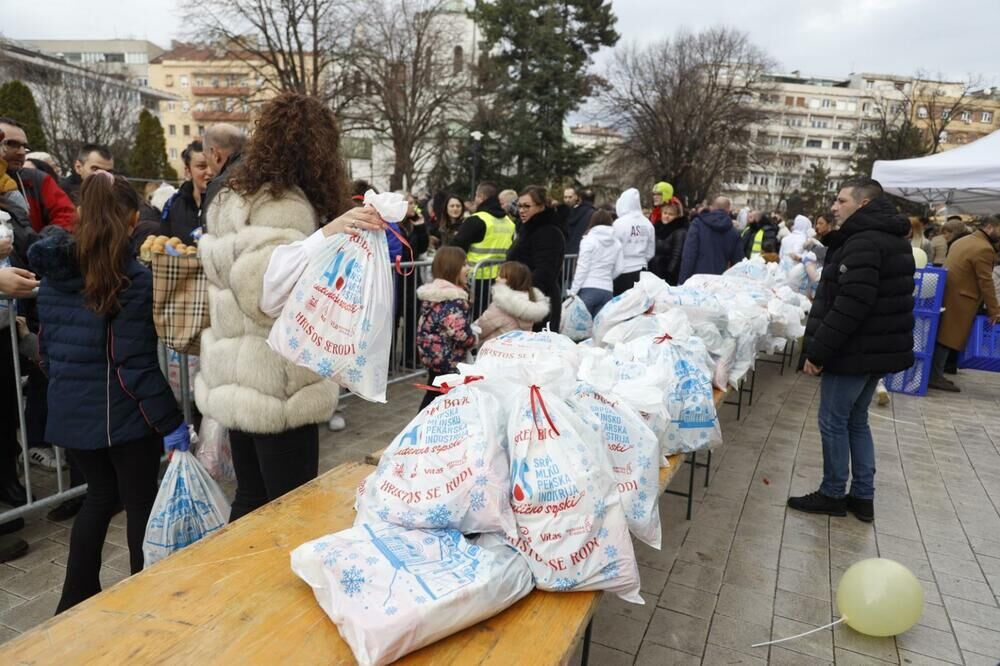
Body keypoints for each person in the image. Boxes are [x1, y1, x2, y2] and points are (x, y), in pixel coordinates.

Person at [199, 93, 383, 522]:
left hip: (239, 379)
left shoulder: (231, 195)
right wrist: (325, 236)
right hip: (278, 382)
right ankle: (270, 588)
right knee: (291, 509)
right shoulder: (284, 202)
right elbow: (263, 291)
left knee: (250, 502)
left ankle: (236, 587)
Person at [28, 172, 189, 612]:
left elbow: (45, 350)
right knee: (138, 501)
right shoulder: (129, 279)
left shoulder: (56, 275)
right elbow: (132, 366)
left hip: (72, 412)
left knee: (99, 498)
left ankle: (74, 600)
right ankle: (143, 595)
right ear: (133, 219)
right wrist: (170, 421)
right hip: (122, 416)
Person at [790, 177, 915, 522]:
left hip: (855, 351)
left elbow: (851, 304)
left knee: (833, 420)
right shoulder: (889, 239)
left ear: (862, 204)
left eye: (842, 200)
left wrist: (817, 353)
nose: (834, 205)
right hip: (875, 348)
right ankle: (862, 496)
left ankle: (832, 492)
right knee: (856, 421)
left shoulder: (865, 242)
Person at [928, 216, 1000, 393]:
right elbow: (986, 282)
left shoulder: (964, 241)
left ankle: (936, 374)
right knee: (947, 339)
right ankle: (935, 377)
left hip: (949, 294)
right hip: (962, 298)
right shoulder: (984, 249)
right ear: (990, 227)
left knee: (943, 337)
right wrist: (995, 310)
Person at [415, 247, 476, 410]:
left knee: (435, 393)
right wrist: (474, 338)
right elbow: (460, 334)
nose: (468, 269)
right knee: (438, 399)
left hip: (434, 356)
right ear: (452, 269)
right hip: (447, 359)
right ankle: (423, 427)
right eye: (464, 265)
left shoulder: (434, 294)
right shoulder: (453, 300)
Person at [450, 182, 516, 317]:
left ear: (480, 197)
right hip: (500, 279)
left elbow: (454, 248)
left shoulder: (476, 220)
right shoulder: (509, 222)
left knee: (475, 320)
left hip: (475, 280)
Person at [0, 117, 76, 233]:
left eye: (24, 147)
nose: (21, 152)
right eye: (12, 144)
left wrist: (43, 244)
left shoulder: (38, 180)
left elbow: (67, 216)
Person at [507, 185, 567, 331]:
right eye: (519, 206)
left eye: (527, 206)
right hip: (524, 300)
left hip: (539, 303)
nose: (521, 210)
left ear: (541, 207)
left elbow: (544, 273)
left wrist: (519, 292)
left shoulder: (549, 232)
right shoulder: (526, 229)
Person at [474, 261, 550, 343]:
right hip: (519, 350)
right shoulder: (530, 301)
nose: (496, 279)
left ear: (512, 280)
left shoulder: (500, 306)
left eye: (501, 276)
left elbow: (481, 329)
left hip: (496, 351)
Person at [568, 209, 624, 315]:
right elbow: (620, 268)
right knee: (600, 329)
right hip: (607, 290)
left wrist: (573, 292)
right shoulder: (617, 243)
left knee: (581, 329)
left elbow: (582, 268)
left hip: (587, 288)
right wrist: (606, 277)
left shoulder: (588, 240)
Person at [678, 196, 744, 284]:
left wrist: (682, 281)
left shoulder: (697, 224)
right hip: (718, 281)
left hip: (696, 279)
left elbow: (689, 254)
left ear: (712, 208)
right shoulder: (734, 232)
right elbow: (738, 262)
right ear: (728, 210)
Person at [161, 140, 211, 243]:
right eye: (202, 166)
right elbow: (163, 244)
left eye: (212, 165)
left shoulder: (228, 204)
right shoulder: (173, 206)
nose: (210, 172)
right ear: (188, 171)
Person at [200, 123, 246, 227]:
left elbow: (211, 231)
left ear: (215, 154)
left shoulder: (221, 186)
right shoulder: (266, 171)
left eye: (206, 158)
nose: (209, 171)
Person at [611, 188, 655, 295]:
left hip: (622, 272)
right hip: (642, 272)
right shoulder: (647, 224)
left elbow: (613, 250)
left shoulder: (618, 224)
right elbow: (650, 252)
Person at [650, 202, 689, 286]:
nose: (667, 216)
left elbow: (676, 255)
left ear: (677, 216)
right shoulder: (657, 227)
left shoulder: (680, 231)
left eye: (671, 214)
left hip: (667, 276)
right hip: (655, 271)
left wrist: (669, 275)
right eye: (665, 213)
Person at [563, 185, 595, 256]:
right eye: (565, 197)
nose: (567, 200)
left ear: (577, 197)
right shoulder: (562, 213)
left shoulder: (585, 213)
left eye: (570, 197)